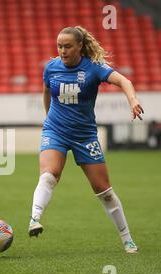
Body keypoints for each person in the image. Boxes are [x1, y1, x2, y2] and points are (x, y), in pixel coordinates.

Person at [28, 26, 144, 254]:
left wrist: (132, 100)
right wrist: (48, 120)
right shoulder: (51, 68)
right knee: (49, 175)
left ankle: (127, 239)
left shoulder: (93, 68)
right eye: (59, 46)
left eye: (67, 46)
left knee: (104, 191)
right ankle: (34, 218)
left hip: (84, 135)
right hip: (56, 131)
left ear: (80, 46)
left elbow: (124, 81)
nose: (62, 50)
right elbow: (46, 92)